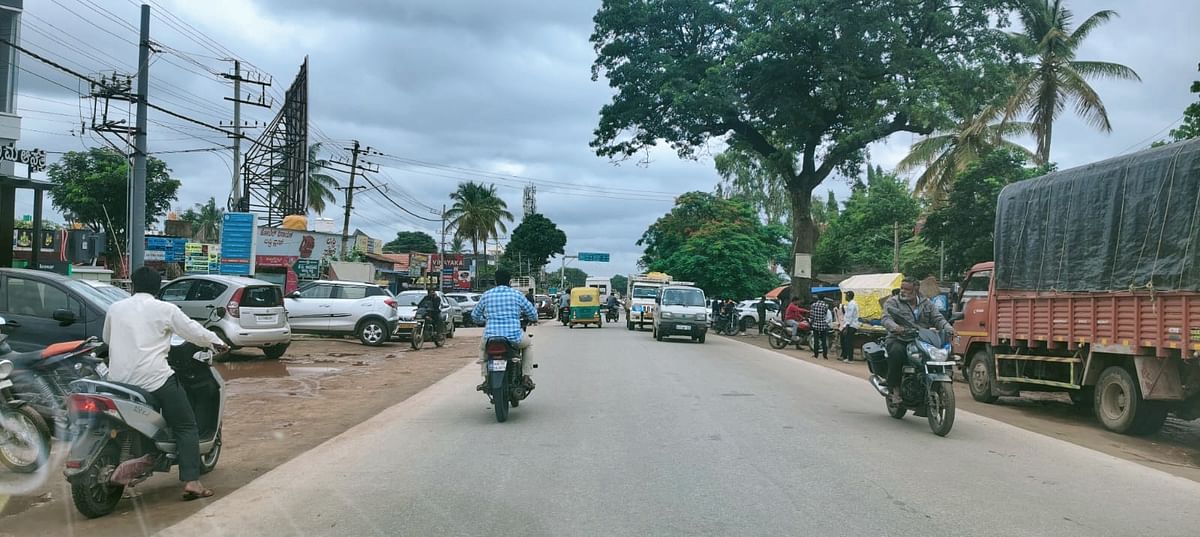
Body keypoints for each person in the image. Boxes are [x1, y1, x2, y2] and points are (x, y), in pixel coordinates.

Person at [103, 266, 228, 501]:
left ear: (132, 285)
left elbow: (107, 339)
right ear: (158, 287)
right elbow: (193, 331)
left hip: (117, 381)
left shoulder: (115, 308)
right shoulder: (164, 309)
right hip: (154, 380)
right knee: (186, 425)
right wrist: (217, 342)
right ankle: (192, 481)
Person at [882, 278, 955, 404]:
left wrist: (949, 329)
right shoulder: (893, 302)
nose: (903, 291)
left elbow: (938, 318)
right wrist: (895, 327)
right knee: (896, 351)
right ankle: (894, 388)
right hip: (900, 337)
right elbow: (886, 318)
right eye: (902, 288)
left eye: (907, 289)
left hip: (922, 338)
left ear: (916, 289)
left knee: (945, 352)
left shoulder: (926, 303)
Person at [472, 268, 539, 391]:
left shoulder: (487, 295)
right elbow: (533, 314)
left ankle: (486, 379)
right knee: (528, 345)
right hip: (514, 337)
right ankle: (526, 377)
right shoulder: (517, 295)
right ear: (509, 281)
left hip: (491, 338)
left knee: (483, 349)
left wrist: (484, 320)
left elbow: (475, 316)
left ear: (495, 281)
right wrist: (533, 319)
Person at [840, 291, 860, 363]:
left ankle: (849, 358)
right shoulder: (851, 304)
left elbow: (850, 316)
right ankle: (845, 356)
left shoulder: (852, 304)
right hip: (849, 325)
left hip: (851, 325)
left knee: (848, 342)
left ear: (849, 296)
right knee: (844, 340)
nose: (845, 297)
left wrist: (846, 327)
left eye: (846, 295)